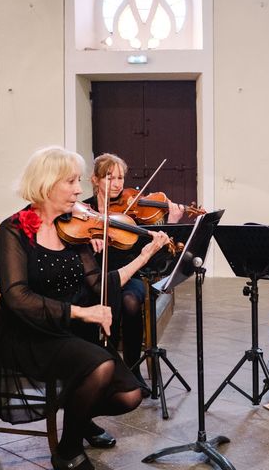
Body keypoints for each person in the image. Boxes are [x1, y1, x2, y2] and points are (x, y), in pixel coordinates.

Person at [0, 146, 171, 470]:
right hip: (30, 333)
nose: (78, 190)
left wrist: (145, 256)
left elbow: (99, 284)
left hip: (71, 331)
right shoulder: (14, 231)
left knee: (131, 396)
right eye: (70, 182)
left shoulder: (72, 229)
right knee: (99, 367)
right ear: (46, 184)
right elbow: (17, 298)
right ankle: (68, 451)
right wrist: (82, 313)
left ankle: (78, 413)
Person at [83, 153, 184, 388]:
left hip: (130, 275)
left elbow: (158, 257)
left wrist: (171, 223)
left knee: (129, 300)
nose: (118, 184)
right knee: (109, 295)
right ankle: (104, 366)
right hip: (95, 276)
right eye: (110, 178)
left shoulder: (132, 212)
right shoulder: (84, 210)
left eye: (120, 178)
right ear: (95, 180)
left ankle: (131, 368)